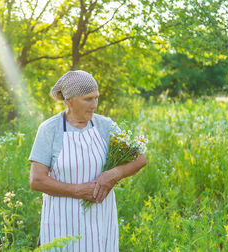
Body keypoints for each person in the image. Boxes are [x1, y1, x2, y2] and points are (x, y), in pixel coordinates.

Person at [29, 70, 148, 251]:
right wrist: (76, 190)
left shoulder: (105, 126)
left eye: (96, 98)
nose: (94, 104)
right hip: (62, 223)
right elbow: (37, 181)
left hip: (101, 220)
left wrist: (114, 174)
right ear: (69, 100)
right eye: (88, 99)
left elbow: (140, 159)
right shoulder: (49, 129)